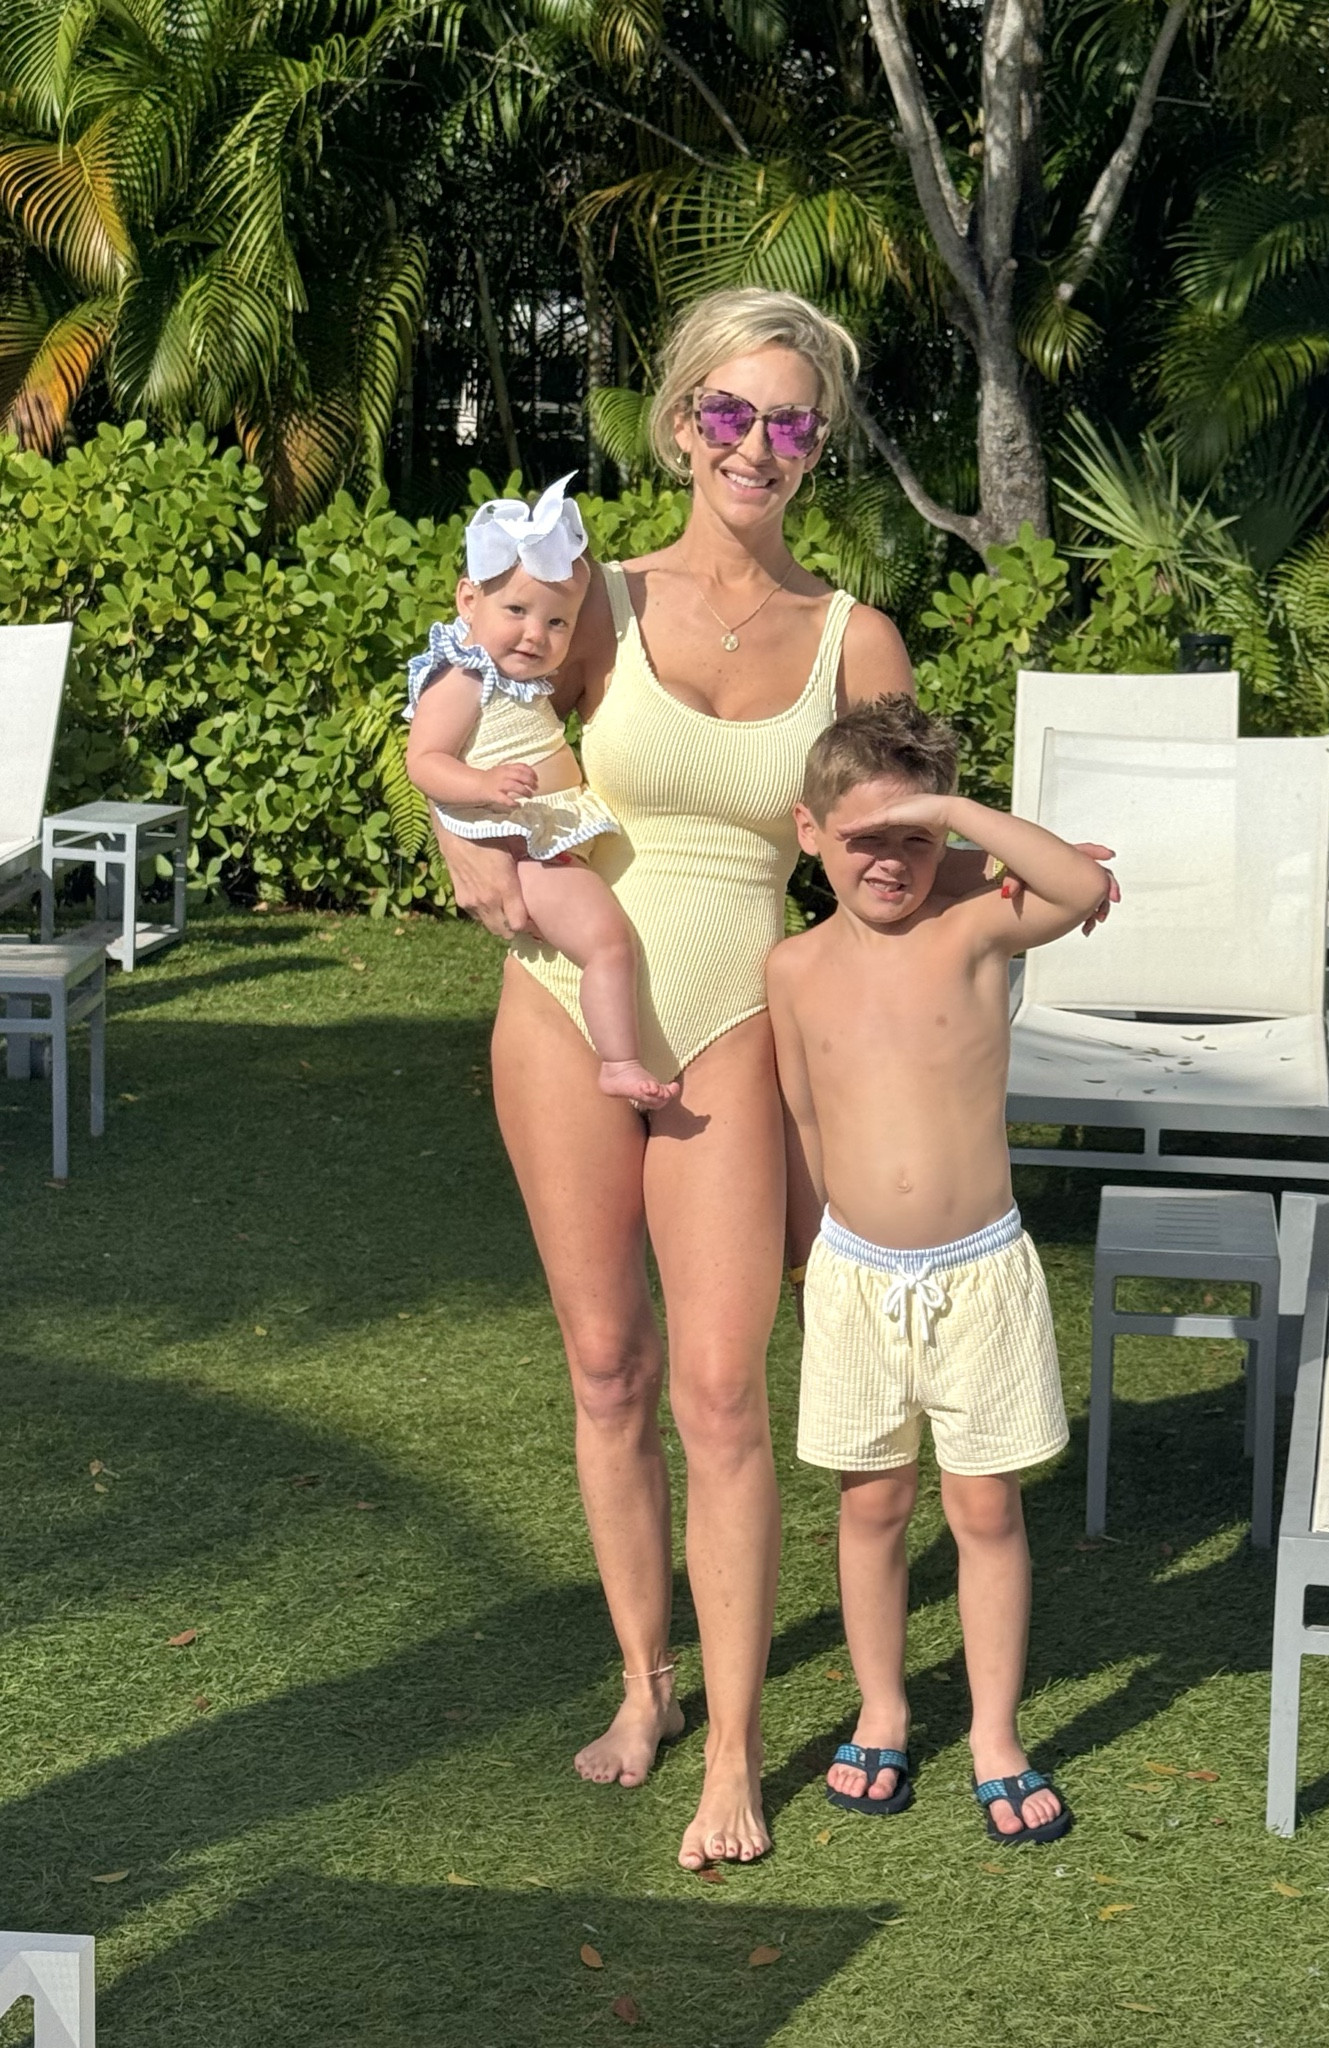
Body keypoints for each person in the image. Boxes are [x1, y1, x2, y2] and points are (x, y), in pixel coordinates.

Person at [431, 288, 926, 1870]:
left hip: (731, 1025)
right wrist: (458, 840)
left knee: (720, 1392)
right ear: (680, 421)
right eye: (728, 412)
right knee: (606, 1369)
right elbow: (462, 709)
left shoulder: (855, 640)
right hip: (559, 1007)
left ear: (818, 444)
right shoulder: (597, 600)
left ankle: (731, 1753)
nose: (754, 446)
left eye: (788, 422)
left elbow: (896, 857)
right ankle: (646, 1683)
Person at [767, 697, 1114, 1846]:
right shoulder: (792, 967)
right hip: (854, 1276)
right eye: (862, 837)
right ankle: (881, 1707)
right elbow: (804, 1119)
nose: (890, 861)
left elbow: (1077, 885)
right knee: (870, 1504)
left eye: (914, 839)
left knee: (982, 1505)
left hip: (980, 1273)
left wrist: (953, 815)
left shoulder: (972, 932)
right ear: (808, 831)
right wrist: (810, 1260)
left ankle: (995, 1734)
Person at [404, 478, 677, 1109]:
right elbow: (424, 760)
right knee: (607, 942)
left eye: (558, 622)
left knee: (606, 940)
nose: (536, 634)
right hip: (526, 848)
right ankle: (620, 1062)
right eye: (517, 612)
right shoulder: (463, 676)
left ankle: (619, 1058)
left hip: (544, 835)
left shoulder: (509, 678)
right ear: (468, 600)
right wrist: (482, 784)